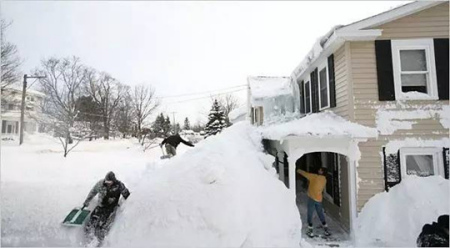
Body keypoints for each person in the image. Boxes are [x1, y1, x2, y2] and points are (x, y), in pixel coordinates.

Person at [83, 171, 130, 243]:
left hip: (111, 208)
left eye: (109, 182)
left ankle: (99, 240)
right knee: (92, 219)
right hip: (100, 206)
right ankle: (87, 237)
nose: (107, 183)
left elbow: (127, 195)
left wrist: (125, 203)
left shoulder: (119, 185)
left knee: (102, 224)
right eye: (106, 181)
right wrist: (87, 201)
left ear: (113, 181)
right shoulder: (100, 184)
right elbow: (93, 192)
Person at [297, 167, 329, 237]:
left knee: (310, 213)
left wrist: (298, 170)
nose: (318, 170)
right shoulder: (324, 179)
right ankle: (325, 228)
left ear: (322, 172)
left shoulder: (314, 177)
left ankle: (310, 230)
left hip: (312, 198)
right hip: (319, 199)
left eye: (320, 170)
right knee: (320, 213)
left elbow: (305, 174)